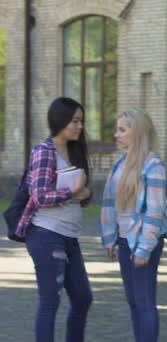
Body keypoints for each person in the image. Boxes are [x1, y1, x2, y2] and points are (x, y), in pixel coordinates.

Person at [16, 97, 93, 342]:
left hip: (70, 237)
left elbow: (80, 192)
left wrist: (85, 194)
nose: (79, 126)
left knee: (83, 298)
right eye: (75, 121)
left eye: (81, 121)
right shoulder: (44, 152)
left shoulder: (74, 151)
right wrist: (71, 193)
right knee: (50, 300)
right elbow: (38, 197)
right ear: (60, 120)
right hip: (46, 234)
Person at [99, 109, 167, 342]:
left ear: (137, 132)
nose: (116, 135)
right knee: (132, 301)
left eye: (122, 130)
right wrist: (109, 238)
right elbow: (109, 204)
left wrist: (144, 249)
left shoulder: (153, 165)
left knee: (144, 301)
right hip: (123, 241)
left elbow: (155, 211)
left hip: (142, 242)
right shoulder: (120, 164)